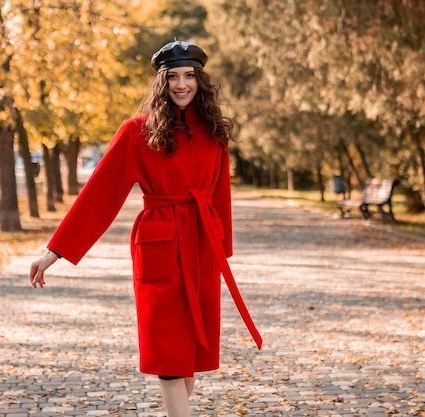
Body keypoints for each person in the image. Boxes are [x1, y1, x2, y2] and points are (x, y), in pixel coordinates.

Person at [29, 40, 262, 417]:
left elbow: (220, 197)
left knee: (192, 359)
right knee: (169, 359)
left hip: (202, 248)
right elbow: (99, 195)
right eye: (173, 77)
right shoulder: (139, 131)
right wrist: (54, 252)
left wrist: (222, 251)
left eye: (189, 76)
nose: (182, 84)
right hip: (159, 247)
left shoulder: (215, 132)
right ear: (161, 82)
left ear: (200, 81)